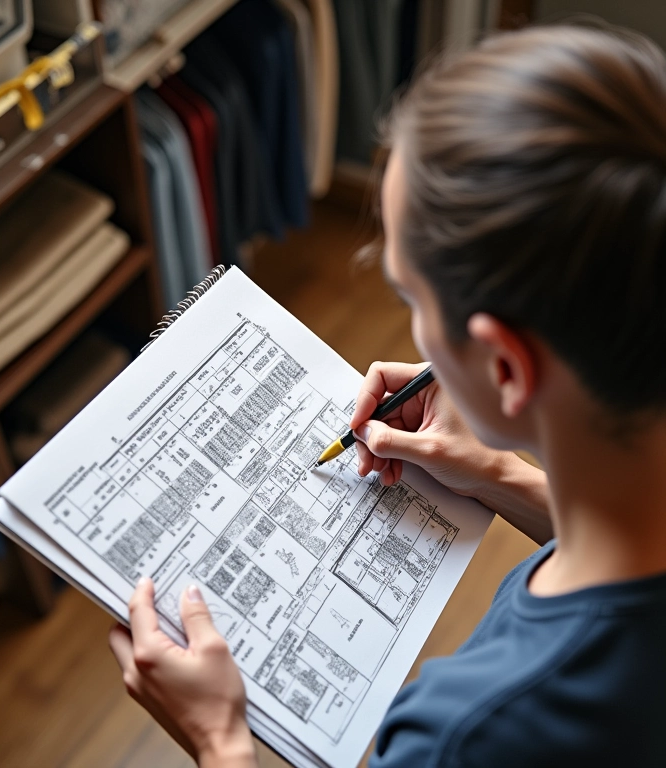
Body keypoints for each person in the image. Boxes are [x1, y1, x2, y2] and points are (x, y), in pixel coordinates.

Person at [109, 23, 666, 767]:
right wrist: (498, 476)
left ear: (506, 369)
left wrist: (221, 741)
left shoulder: (466, 736)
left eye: (411, 296)